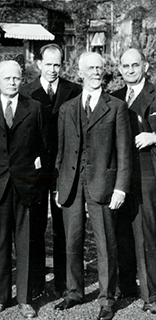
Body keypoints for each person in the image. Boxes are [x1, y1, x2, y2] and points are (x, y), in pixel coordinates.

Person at [54, 52, 132, 320]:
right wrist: (59, 186)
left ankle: (107, 298)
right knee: (72, 241)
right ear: (80, 72)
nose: (96, 72)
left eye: (100, 68)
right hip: (72, 185)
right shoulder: (67, 108)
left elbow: (124, 152)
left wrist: (120, 188)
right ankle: (74, 291)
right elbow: (62, 152)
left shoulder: (117, 107)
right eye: (91, 68)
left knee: (105, 244)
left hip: (104, 185)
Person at [0, 60, 45, 318]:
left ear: (21, 80)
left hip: (25, 187)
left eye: (16, 78)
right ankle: (0, 297)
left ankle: (25, 299)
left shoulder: (34, 108)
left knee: (24, 243)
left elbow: (42, 146)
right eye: (7, 79)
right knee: (0, 242)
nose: (12, 83)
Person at [20, 43, 81, 297]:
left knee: (62, 226)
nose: (53, 69)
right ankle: (34, 284)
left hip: (63, 168)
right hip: (36, 169)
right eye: (49, 64)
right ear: (39, 64)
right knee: (34, 226)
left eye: (58, 64)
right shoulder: (26, 92)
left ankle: (63, 283)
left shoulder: (74, 90)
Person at [111, 48, 156, 312]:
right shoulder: (115, 97)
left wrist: (154, 137)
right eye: (125, 66)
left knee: (146, 233)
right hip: (119, 176)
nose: (130, 70)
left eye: (135, 65)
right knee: (122, 231)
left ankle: (151, 295)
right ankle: (126, 286)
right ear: (119, 69)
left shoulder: (154, 93)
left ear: (145, 66)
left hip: (147, 174)